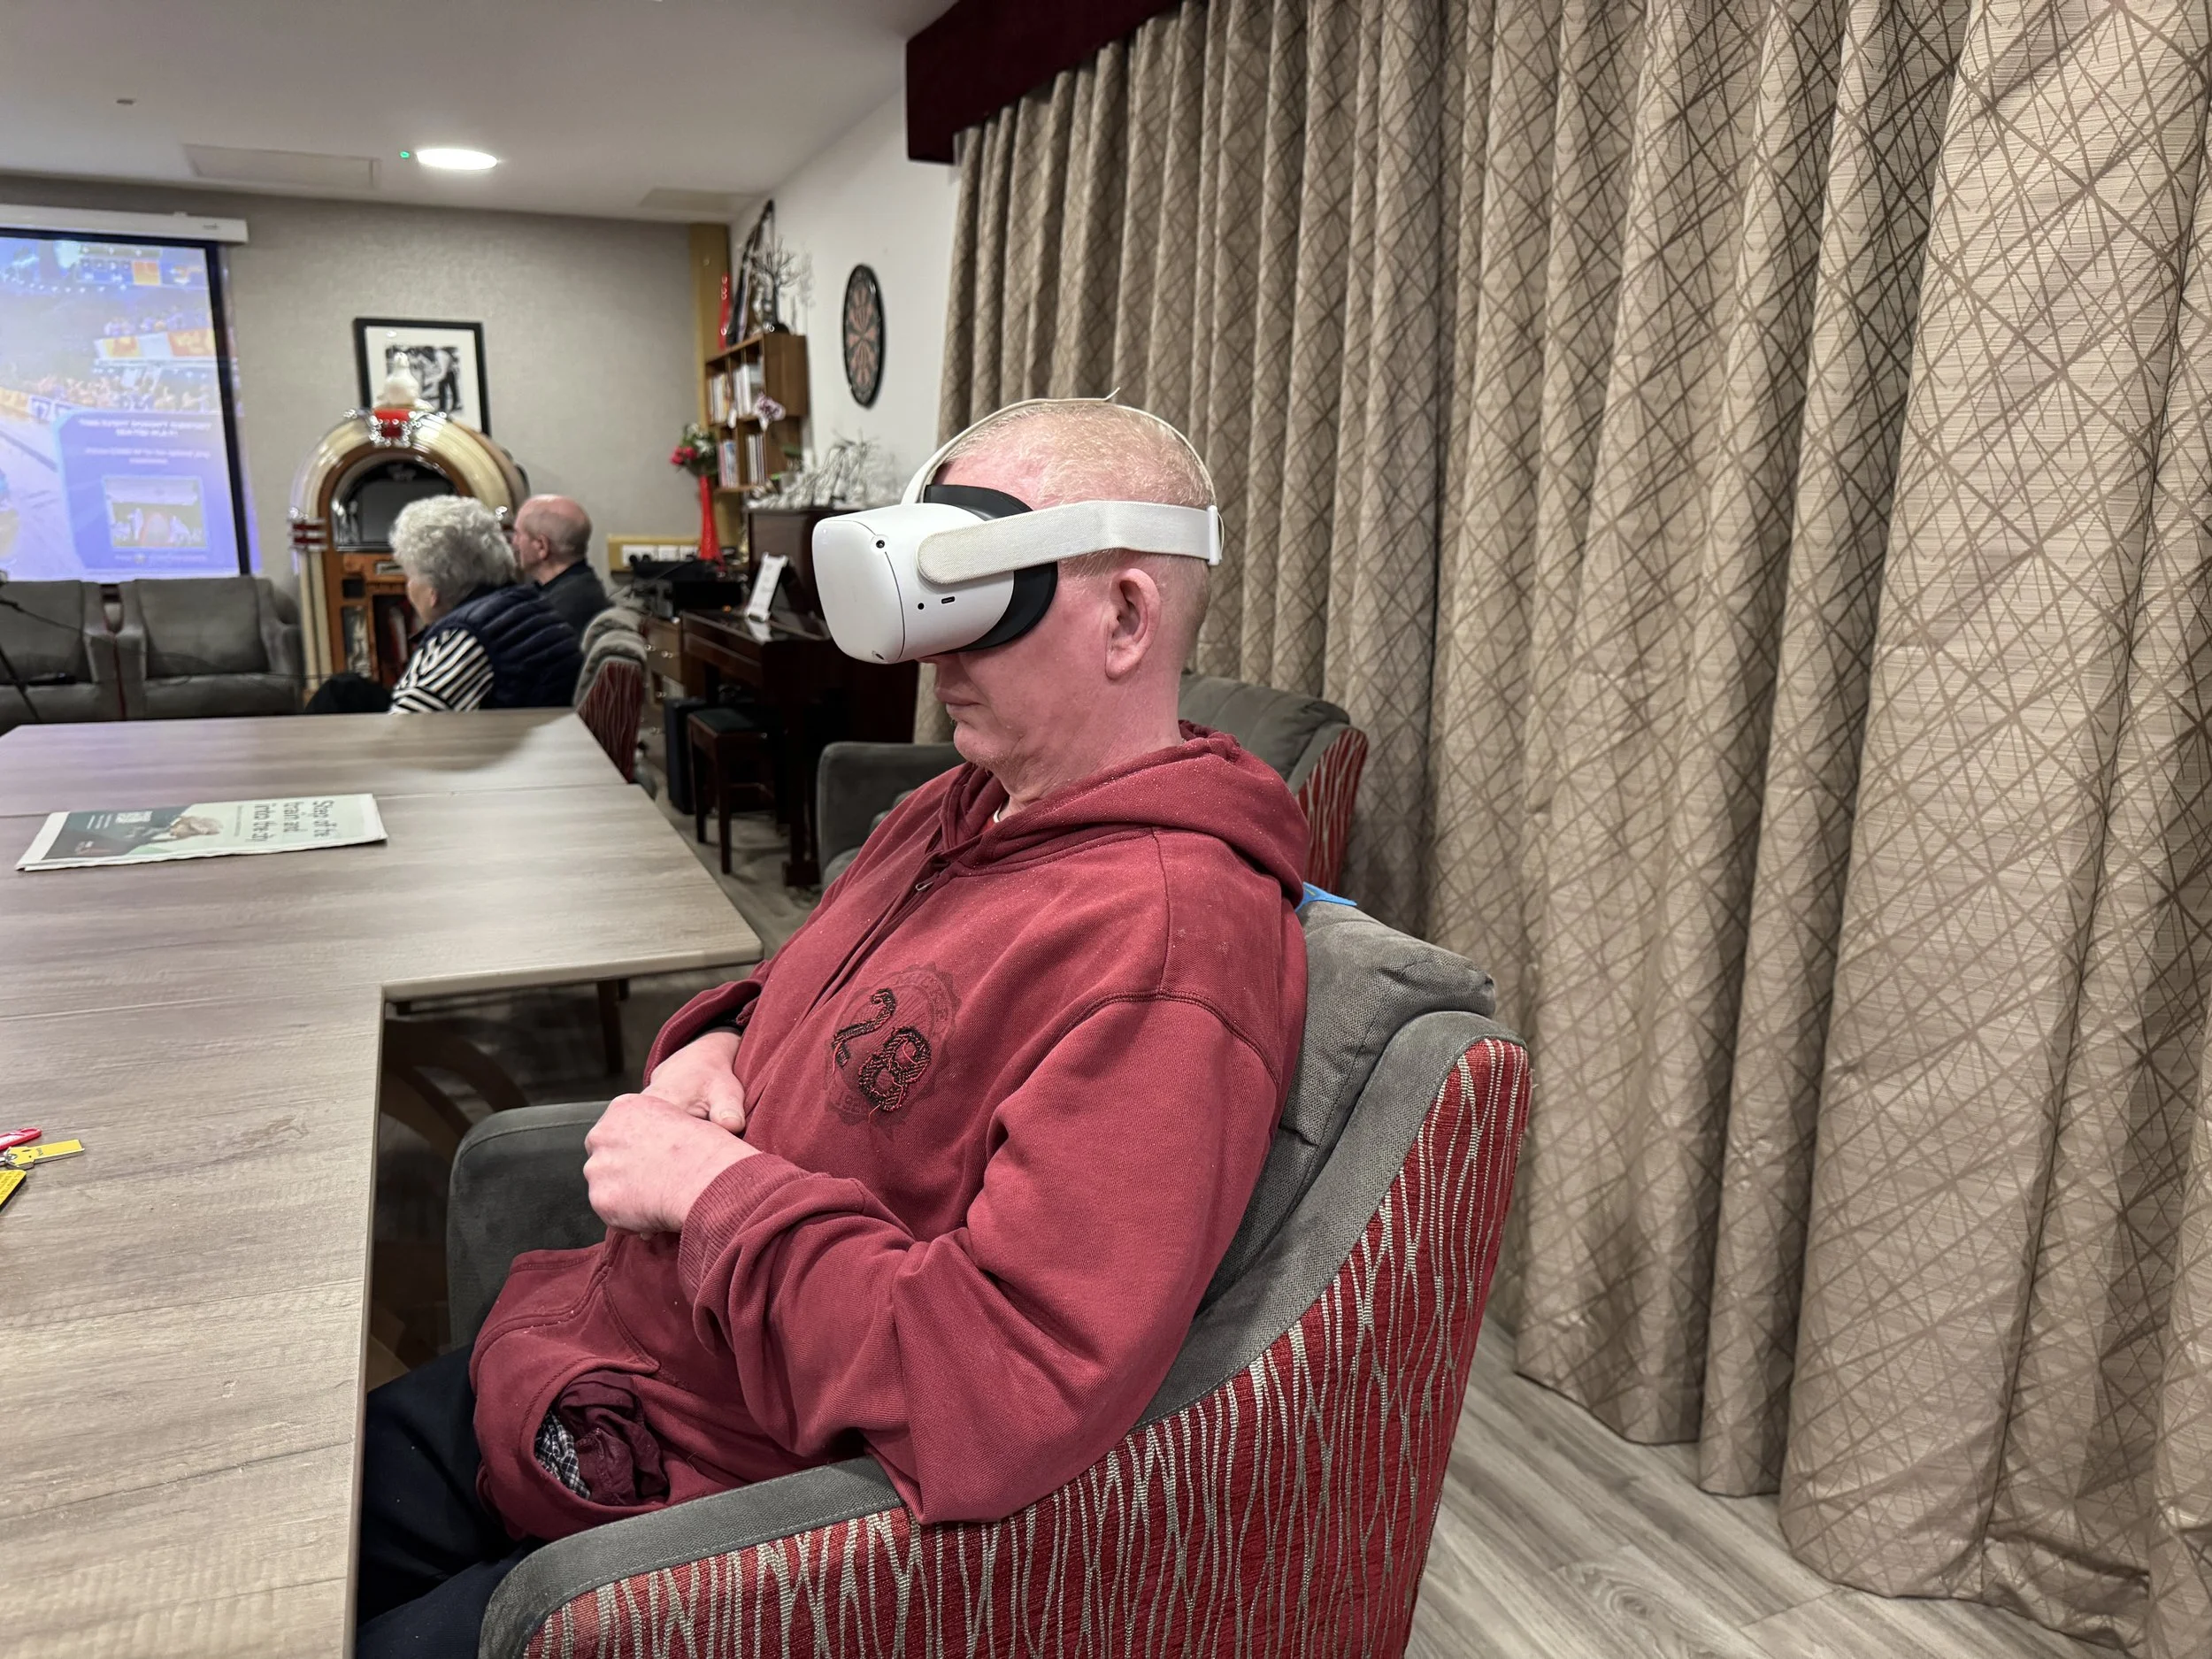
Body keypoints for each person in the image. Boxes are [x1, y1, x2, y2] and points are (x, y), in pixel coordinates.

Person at [351, 401, 1310, 1657]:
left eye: (977, 597)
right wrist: (715, 1040)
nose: (934, 655)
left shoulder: (1168, 952)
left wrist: (712, 1193)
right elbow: (808, 987)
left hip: (682, 1506)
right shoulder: (957, 807)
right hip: (575, 1362)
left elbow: (1005, 1387)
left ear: (1126, 616)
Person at [303, 497, 581, 714]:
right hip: (522, 743)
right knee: (344, 690)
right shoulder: (527, 603)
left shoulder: (467, 637)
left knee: (337, 695)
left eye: (410, 576)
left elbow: (407, 728)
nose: (409, 587)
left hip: (488, 760)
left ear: (433, 592)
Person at [507, 493, 609, 636]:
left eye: (518, 534)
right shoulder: (584, 588)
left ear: (541, 546)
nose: (514, 542)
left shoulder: (553, 616)